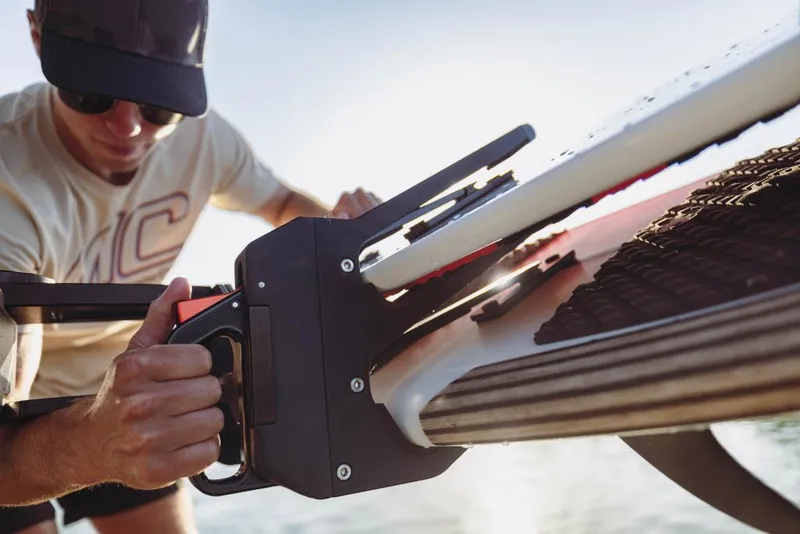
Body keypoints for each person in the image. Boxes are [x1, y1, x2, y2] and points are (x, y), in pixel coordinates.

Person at [0, 1, 381, 533]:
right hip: (16, 413)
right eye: (92, 93)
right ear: (37, 38)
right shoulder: (7, 172)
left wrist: (344, 235)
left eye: (158, 105)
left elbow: (279, 204)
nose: (129, 128)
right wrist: (92, 442)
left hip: (129, 385)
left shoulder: (205, 141)